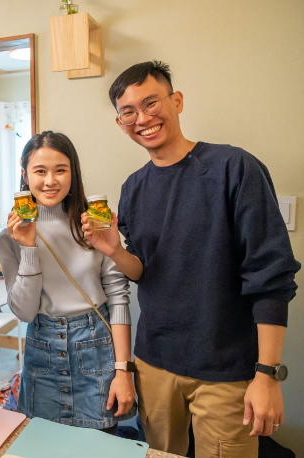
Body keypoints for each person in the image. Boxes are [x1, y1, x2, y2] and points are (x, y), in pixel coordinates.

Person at [83, 60, 300, 457]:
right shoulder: (133, 187)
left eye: (151, 103)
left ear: (176, 101)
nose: (143, 118)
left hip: (225, 369)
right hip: (153, 363)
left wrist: (267, 373)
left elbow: (270, 276)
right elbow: (145, 272)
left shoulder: (234, 168)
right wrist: (115, 250)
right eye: (128, 112)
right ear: (120, 123)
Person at [0, 131, 136, 432]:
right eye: (40, 171)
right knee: (42, 446)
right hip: (42, 348)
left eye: (60, 170)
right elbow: (23, 311)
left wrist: (123, 370)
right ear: (24, 174)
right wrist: (29, 247)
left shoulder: (94, 224)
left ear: (73, 172)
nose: (50, 181)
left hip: (96, 347)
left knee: (101, 448)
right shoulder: (11, 235)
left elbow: (118, 297)